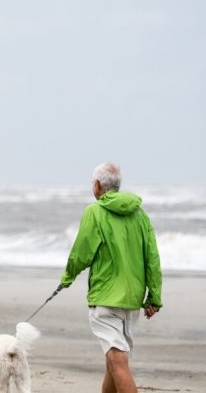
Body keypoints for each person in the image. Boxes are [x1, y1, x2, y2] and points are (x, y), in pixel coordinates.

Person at [59, 162, 163, 393]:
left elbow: (81, 253)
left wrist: (66, 278)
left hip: (106, 299)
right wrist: (153, 296)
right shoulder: (140, 215)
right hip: (132, 302)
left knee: (118, 363)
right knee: (113, 362)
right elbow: (152, 258)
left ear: (97, 185)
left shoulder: (94, 212)